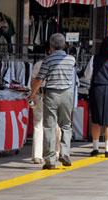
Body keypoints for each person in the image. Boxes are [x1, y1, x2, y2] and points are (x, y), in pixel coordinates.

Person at [29, 33, 76, 170]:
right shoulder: (71, 60)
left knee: (49, 126)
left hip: (51, 94)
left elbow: (39, 79)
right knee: (66, 125)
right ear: (65, 45)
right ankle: (65, 153)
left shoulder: (47, 60)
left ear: (51, 46)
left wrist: (32, 94)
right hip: (67, 94)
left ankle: (50, 160)